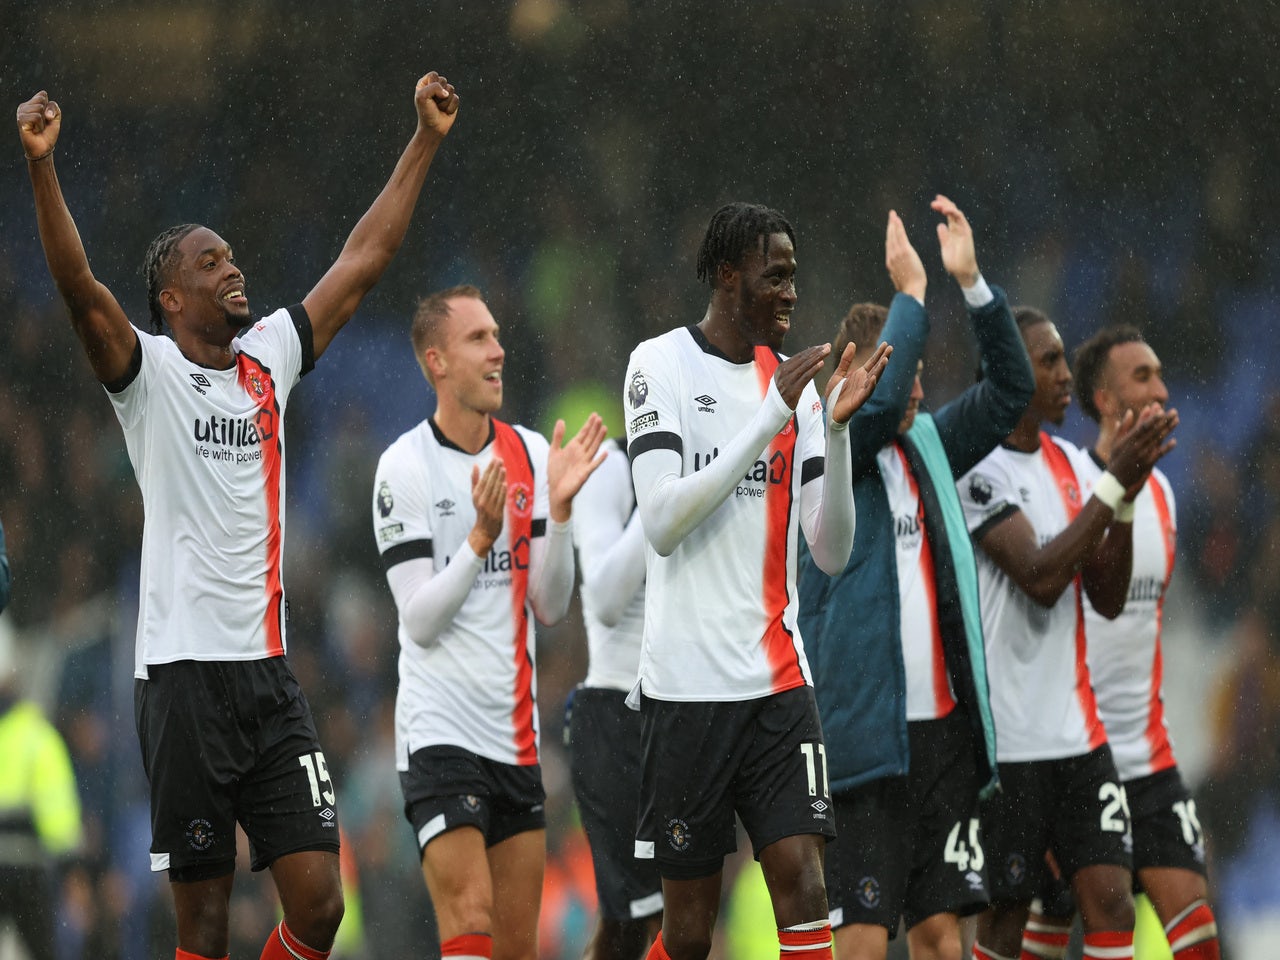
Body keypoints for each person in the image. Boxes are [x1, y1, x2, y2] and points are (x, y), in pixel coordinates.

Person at [16, 72, 460, 960]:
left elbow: (363, 261)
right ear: (171, 299)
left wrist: (423, 140)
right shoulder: (146, 378)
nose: (233, 268)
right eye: (209, 262)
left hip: (267, 680)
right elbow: (76, 285)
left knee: (322, 906)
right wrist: (43, 170)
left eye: (232, 257)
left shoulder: (270, 357)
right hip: (180, 683)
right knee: (204, 927)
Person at [624, 200, 894, 960]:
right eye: (775, 275)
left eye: (795, 277)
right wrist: (768, 419)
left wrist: (834, 433)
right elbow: (664, 523)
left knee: (806, 887)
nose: (791, 292)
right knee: (686, 932)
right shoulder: (659, 365)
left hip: (776, 683)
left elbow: (831, 549)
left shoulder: (799, 390)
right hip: (685, 691)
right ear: (726, 274)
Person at [797, 196, 1033, 960]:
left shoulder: (926, 445)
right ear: (860, 377)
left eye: (925, 375)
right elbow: (881, 402)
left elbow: (1009, 393)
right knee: (863, 941)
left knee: (942, 938)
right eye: (909, 374)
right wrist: (909, 292)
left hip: (943, 742)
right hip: (867, 735)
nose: (922, 391)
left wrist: (971, 286)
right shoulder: (833, 452)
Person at [372, 284, 606, 960]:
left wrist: (557, 516)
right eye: (478, 339)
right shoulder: (403, 468)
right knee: (469, 918)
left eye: (498, 336)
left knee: (514, 948)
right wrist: (479, 540)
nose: (499, 350)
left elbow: (552, 605)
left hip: (516, 739)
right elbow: (418, 619)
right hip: (439, 735)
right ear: (435, 362)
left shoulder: (531, 453)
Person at [955, 307, 1178, 960]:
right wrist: (1115, 485)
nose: (1063, 375)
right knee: (1005, 921)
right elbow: (1040, 575)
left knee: (1110, 899)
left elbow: (1106, 598)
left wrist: (1127, 493)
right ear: (1007, 373)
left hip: (1080, 740)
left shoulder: (1077, 468)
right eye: (1048, 361)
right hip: (1012, 743)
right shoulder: (979, 468)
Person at [1019, 328, 1220, 960]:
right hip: (1075, 758)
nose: (1161, 388)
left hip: (1150, 759)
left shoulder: (1162, 493)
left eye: (1161, 373)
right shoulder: (1069, 485)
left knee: (1198, 933)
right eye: (1142, 377)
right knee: (1050, 940)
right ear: (1103, 400)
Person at [567, 435, 664, 959]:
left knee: (669, 918)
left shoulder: (718, 459)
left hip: (688, 712)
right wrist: (662, 488)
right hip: (617, 716)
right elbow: (604, 598)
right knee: (643, 921)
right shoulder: (611, 464)